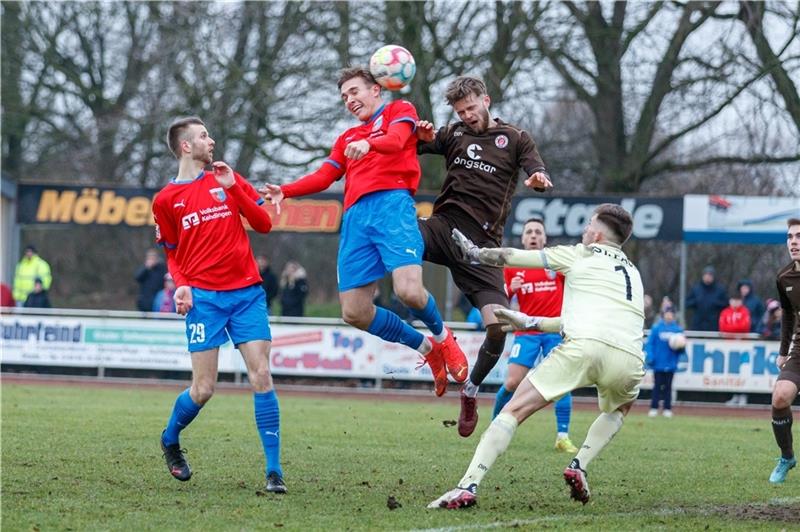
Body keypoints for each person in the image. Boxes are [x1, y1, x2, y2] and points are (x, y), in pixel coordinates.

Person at [261, 67, 467, 397]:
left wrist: (369, 144)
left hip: (392, 206)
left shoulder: (401, 110)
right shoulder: (345, 139)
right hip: (356, 217)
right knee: (354, 312)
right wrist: (286, 190)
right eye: (344, 97)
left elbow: (398, 140)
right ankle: (428, 349)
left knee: (409, 292)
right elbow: (324, 176)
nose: (349, 100)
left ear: (376, 89)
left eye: (354, 92)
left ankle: (445, 339)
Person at [429, 204, 644, 508]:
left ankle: (468, 486)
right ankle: (579, 464)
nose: (584, 230)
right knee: (620, 408)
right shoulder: (633, 273)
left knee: (513, 411)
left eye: (588, 225)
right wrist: (528, 322)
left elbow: (515, 257)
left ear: (596, 234)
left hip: (582, 347)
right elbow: (594, 320)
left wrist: (476, 253)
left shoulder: (581, 253)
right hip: (629, 358)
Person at [151, 116, 286, 493]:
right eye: (204, 136)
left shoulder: (227, 177)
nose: (211, 140)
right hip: (204, 300)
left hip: (246, 294)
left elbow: (263, 224)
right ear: (186, 146)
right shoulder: (165, 200)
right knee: (204, 389)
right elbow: (173, 254)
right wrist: (182, 286)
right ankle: (169, 438)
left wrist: (235, 189)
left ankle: (274, 471)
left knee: (261, 375)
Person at [415, 75, 552, 436]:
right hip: (444, 229)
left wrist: (537, 176)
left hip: (484, 250)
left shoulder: (515, 138)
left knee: (497, 327)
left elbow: (534, 166)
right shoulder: (454, 134)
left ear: (486, 100)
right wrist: (419, 133)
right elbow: (410, 144)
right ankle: (439, 343)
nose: (468, 116)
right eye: (461, 111)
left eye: (472, 108)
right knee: (400, 245)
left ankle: (471, 389)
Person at [492, 218, 576, 452]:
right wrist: (511, 289)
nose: (533, 235)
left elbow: (574, 289)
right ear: (522, 238)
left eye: (538, 232)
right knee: (512, 381)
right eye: (529, 231)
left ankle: (562, 436)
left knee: (561, 383)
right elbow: (500, 300)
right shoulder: (513, 267)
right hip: (527, 331)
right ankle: (494, 427)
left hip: (553, 332)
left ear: (545, 238)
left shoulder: (556, 264)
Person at [769, 218, 800, 484]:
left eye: (799, 236)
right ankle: (787, 456)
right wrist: (783, 351)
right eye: (790, 237)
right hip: (799, 351)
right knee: (780, 397)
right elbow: (788, 315)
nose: (794, 242)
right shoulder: (784, 276)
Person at [645, 305, 684, 418]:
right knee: (657, 386)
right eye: (667, 313)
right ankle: (654, 407)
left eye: (671, 314)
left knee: (668, 387)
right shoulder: (656, 328)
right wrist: (651, 357)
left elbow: (681, 348)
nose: (669, 316)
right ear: (663, 315)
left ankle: (667, 408)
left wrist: (681, 347)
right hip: (658, 363)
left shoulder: (677, 330)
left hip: (671, 363)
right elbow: (650, 344)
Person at [685, 266, 727, 331]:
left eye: (710, 275)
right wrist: (696, 302)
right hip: (698, 324)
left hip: (714, 324)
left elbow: (726, 304)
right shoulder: (696, 289)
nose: (707, 277)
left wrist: (715, 303)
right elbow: (687, 303)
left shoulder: (720, 290)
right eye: (706, 275)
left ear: (713, 277)